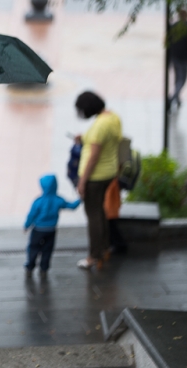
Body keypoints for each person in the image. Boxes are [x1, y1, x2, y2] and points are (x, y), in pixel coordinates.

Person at [74, 91, 122, 271]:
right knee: (100, 212)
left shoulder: (99, 126)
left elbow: (93, 156)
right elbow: (103, 141)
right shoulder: (113, 118)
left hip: (95, 177)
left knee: (93, 215)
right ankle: (105, 249)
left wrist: (82, 182)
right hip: (109, 172)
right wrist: (83, 138)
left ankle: (93, 256)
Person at [24, 174, 81, 278]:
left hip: (38, 230)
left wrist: (26, 226)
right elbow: (72, 206)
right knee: (47, 250)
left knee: (33, 248)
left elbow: (31, 215)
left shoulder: (38, 201)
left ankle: (30, 265)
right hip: (51, 230)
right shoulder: (58, 200)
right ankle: (44, 268)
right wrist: (80, 198)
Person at [168, 7, 187, 111]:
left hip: (174, 56)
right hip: (183, 57)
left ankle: (177, 99)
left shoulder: (174, 25)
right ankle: (172, 98)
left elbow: (167, 40)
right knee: (182, 80)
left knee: (177, 78)